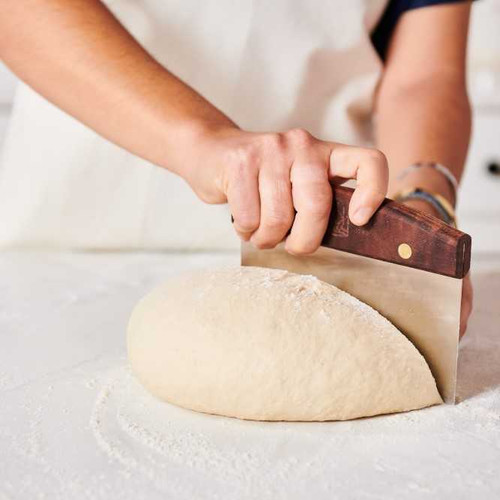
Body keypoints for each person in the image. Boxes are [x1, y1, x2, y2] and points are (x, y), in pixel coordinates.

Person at [0, 0, 473, 333]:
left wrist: (424, 198)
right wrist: (204, 141)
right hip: (68, 234)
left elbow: (426, 75)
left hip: (320, 244)